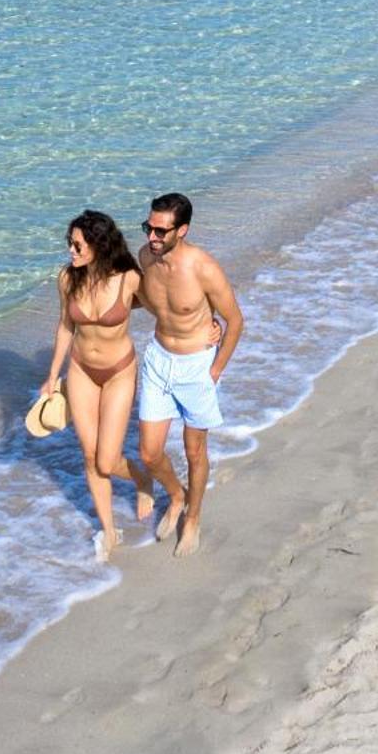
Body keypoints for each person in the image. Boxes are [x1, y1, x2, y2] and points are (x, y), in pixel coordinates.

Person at [38, 210, 156, 559]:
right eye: (69, 244)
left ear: (98, 244)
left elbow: (163, 309)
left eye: (77, 244)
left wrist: (199, 329)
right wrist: (51, 376)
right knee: (90, 458)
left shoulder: (128, 279)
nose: (71, 251)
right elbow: (64, 328)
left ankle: (142, 480)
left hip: (119, 371)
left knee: (107, 461)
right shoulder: (67, 278)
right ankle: (109, 531)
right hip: (80, 371)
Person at [135, 191, 243, 557]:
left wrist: (213, 371)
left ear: (182, 230)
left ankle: (193, 517)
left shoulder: (203, 268)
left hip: (197, 366)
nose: (152, 237)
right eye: (149, 227)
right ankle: (176, 495)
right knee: (149, 454)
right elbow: (155, 304)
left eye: (161, 231)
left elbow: (236, 321)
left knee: (194, 451)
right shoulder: (146, 257)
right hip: (158, 360)